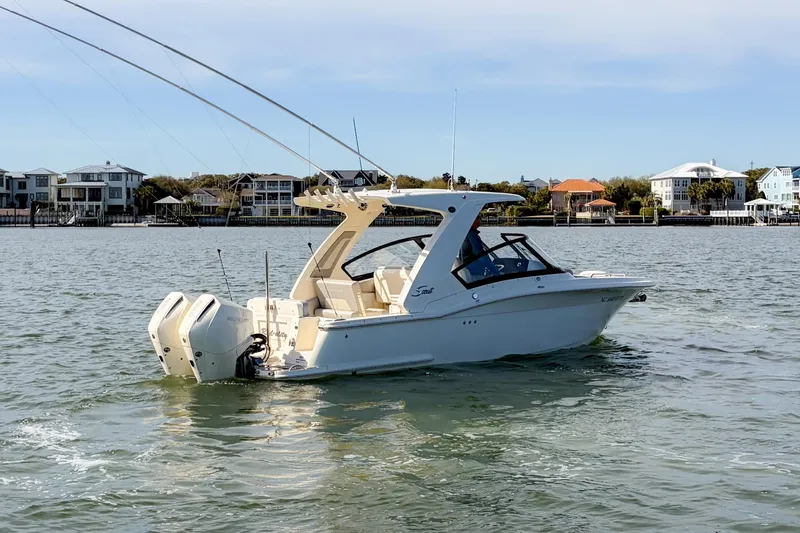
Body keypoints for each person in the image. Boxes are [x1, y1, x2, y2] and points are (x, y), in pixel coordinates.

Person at [456, 216, 500, 282]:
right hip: (474, 271)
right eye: (479, 219)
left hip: (468, 268)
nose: (480, 221)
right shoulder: (472, 235)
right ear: (474, 220)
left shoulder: (465, 234)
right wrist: (496, 271)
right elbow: (480, 254)